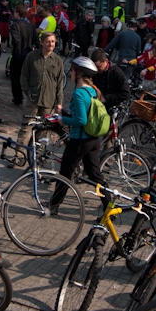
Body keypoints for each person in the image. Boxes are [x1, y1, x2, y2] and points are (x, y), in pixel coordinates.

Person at [50, 57, 106, 214]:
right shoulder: (92, 90)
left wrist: (62, 120)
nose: (71, 73)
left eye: (73, 71)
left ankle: (53, 207)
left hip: (80, 140)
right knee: (96, 176)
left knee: (65, 175)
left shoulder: (79, 93)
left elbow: (81, 119)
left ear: (79, 73)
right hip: (93, 140)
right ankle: (109, 204)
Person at [18, 31, 64, 148]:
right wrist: (27, 92)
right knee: (26, 128)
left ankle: (38, 156)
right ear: (42, 42)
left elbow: (59, 83)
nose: (51, 44)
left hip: (48, 101)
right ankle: (19, 154)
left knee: (43, 132)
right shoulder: (31, 57)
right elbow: (24, 76)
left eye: (53, 42)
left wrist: (59, 102)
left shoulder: (58, 60)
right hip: (33, 99)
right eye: (48, 42)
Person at [9, 4, 38, 106]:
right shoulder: (31, 26)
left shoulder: (15, 25)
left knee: (15, 77)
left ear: (17, 13)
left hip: (18, 55)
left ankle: (18, 97)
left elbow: (15, 41)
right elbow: (36, 41)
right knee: (27, 77)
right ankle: (29, 96)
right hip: (29, 55)